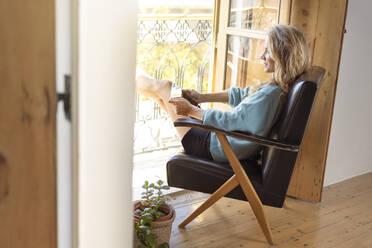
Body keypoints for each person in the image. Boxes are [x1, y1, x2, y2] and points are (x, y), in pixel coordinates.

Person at [136, 24, 310, 162]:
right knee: (165, 96)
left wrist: (190, 110)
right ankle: (132, 76)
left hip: (217, 147)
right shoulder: (279, 87)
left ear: (282, 55)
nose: (261, 56)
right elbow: (241, 95)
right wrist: (201, 97)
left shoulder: (270, 94)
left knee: (165, 87)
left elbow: (231, 120)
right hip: (224, 143)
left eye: (268, 52)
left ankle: (129, 74)